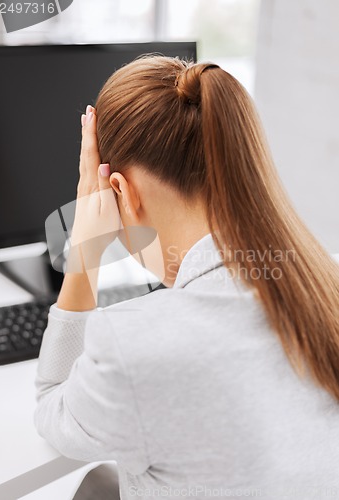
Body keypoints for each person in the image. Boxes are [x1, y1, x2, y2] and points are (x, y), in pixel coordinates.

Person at [34, 56, 339, 500]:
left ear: (118, 191)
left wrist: (83, 252)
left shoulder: (132, 345)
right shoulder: (324, 281)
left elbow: (53, 409)